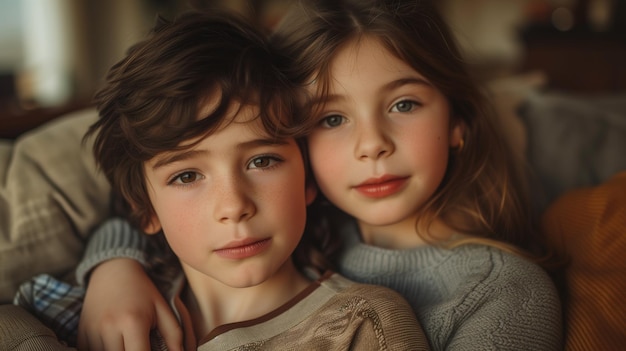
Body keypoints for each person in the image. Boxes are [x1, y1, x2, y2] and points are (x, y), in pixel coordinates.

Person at [57, 0, 564, 350]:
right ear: (299, 140)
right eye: (332, 118)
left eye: (404, 104)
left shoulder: (505, 292)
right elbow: (161, 196)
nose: (372, 146)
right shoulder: (299, 228)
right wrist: (114, 269)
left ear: (457, 121)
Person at [11, 9, 429, 351]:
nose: (234, 207)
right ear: (144, 208)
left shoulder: (365, 325)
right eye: (187, 175)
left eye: (262, 161)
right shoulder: (101, 313)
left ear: (307, 175)